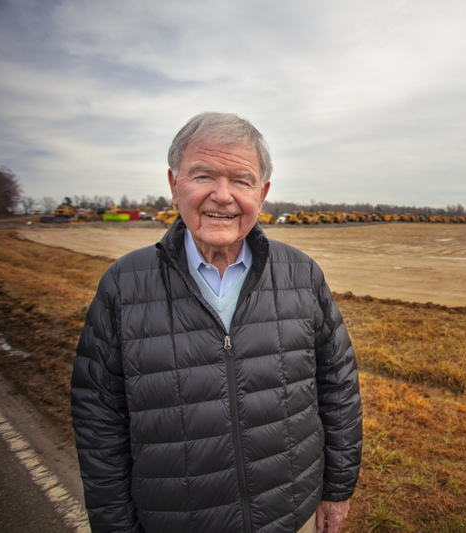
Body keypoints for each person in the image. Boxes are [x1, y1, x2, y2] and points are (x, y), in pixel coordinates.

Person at [71, 112, 362, 533]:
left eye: (241, 180)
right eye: (203, 175)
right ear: (174, 185)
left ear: (262, 193)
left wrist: (336, 489)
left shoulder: (302, 275)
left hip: (292, 517)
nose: (222, 196)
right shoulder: (123, 285)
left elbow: (339, 391)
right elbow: (99, 422)